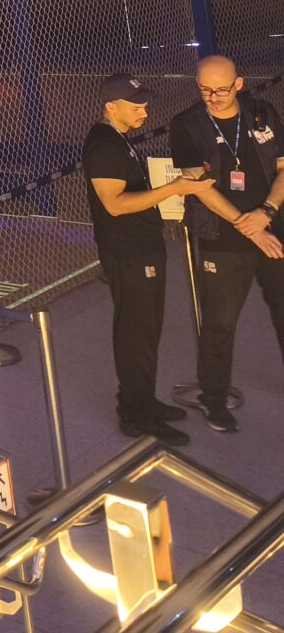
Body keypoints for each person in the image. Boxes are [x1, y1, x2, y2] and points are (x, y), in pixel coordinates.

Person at [83, 73, 212, 445]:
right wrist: (173, 188)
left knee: (146, 330)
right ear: (111, 106)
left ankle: (143, 400)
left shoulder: (119, 138)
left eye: (144, 104)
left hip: (142, 248)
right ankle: (135, 414)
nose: (144, 111)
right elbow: (114, 204)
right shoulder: (104, 146)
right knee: (136, 334)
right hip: (129, 253)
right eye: (136, 105)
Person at [170, 55, 284, 433]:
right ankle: (214, 398)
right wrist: (248, 226)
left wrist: (266, 212)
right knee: (219, 324)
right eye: (205, 90)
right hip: (223, 239)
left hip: (273, 228)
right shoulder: (187, 125)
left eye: (221, 89)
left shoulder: (262, 113)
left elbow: (283, 168)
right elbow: (199, 187)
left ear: (239, 84)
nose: (214, 97)